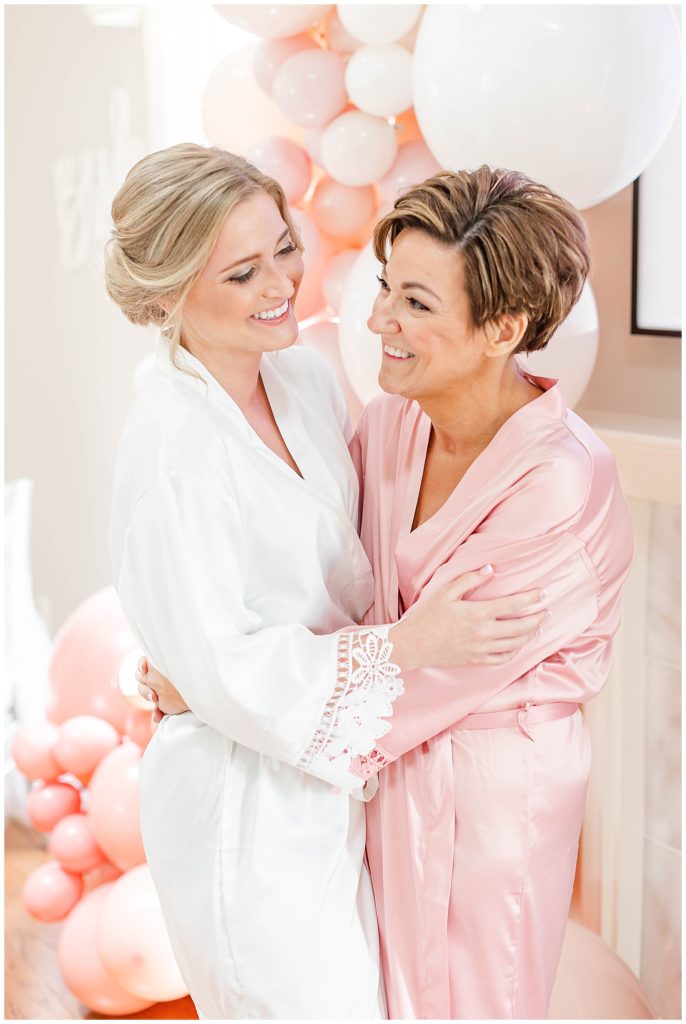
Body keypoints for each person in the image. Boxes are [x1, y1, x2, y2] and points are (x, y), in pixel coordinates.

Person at [142, 167, 633, 1020]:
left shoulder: (561, 482)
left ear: (504, 327)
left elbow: (446, 672)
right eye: (384, 288)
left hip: (489, 806)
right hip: (371, 784)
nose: (378, 322)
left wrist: (223, 696)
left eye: (415, 303)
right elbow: (328, 590)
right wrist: (208, 662)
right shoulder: (393, 424)